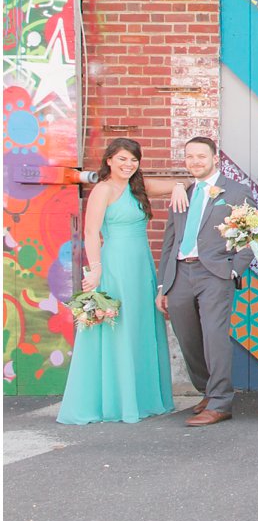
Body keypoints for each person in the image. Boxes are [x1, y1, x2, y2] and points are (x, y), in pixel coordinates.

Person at [58, 139, 184, 425]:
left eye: (133, 160)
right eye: (123, 159)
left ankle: (141, 398)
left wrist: (177, 186)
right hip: (115, 264)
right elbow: (91, 233)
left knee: (139, 325)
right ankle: (115, 400)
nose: (128, 165)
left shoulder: (137, 186)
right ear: (109, 160)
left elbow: (182, 183)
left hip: (141, 265)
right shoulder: (103, 190)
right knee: (117, 326)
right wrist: (96, 269)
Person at [156, 136, 252, 427]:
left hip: (215, 273)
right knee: (188, 338)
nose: (195, 162)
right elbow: (169, 240)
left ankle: (221, 401)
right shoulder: (182, 193)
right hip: (180, 273)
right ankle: (208, 391)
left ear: (215, 158)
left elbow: (252, 235)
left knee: (214, 336)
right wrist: (163, 284)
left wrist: (234, 270)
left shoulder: (236, 192)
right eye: (190, 157)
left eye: (201, 156)